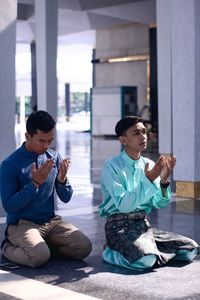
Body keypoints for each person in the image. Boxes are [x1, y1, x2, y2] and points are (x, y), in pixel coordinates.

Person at [99, 116, 199, 271]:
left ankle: (148, 250)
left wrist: (164, 182)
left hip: (143, 226)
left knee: (190, 249)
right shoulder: (111, 166)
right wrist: (149, 179)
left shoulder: (149, 164)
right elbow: (124, 205)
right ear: (123, 140)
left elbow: (159, 203)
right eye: (136, 133)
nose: (143, 136)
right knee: (145, 261)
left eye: (144, 132)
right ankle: (110, 252)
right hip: (118, 227)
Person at [0, 110, 92, 267]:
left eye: (50, 141)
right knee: (38, 257)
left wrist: (62, 181)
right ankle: (7, 247)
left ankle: (42, 247)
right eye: (41, 141)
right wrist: (34, 183)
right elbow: (9, 206)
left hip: (50, 222)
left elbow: (66, 197)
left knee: (84, 247)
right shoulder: (9, 164)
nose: (46, 146)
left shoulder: (53, 157)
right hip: (22, 224)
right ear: (28, 136)